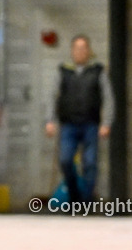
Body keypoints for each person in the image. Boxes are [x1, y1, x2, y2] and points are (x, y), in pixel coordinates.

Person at [45, 34, 114, 204]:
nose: (80, 52)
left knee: (90, 163)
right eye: (77, 48)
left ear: (89, 51)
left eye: (83, 48)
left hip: (91, 124)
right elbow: (52, 96)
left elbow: (108, 98)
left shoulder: (98, 71)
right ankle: (74, 196)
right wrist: (49, 120)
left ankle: (86, 200)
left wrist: (106, 123)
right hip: (68, 125)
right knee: (65, 160)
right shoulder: (63, 71)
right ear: (72, 51)